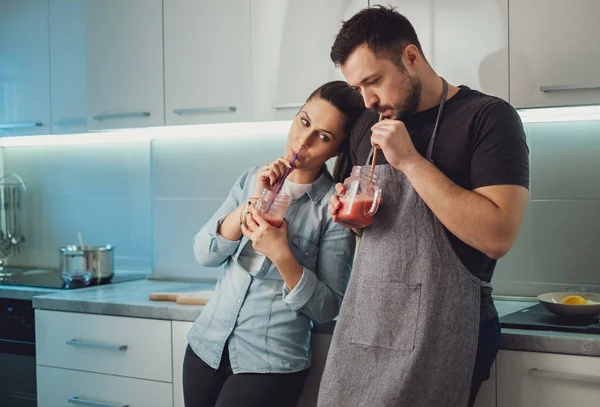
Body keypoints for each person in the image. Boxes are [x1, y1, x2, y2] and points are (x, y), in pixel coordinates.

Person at [318, 6, 529, 407]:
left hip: (446, 325)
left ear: (411, 57)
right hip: (370, 320)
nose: (368, 99)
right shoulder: (368, 123)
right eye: (358, 88)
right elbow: (382, 232)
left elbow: (497, 237)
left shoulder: (487, 118)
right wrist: (350, 214)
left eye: (374, 80)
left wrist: (411, 161)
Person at [183, 81, 364, 407]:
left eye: (322, 137)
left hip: (270, 363)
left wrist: (282, 253)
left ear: (338, 149)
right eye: (304, 122)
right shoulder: (251, 178)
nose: (302, 141)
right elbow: (203, 254)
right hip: (205, 348)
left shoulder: (332, 208)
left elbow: (327, 309)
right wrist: (250, 203)